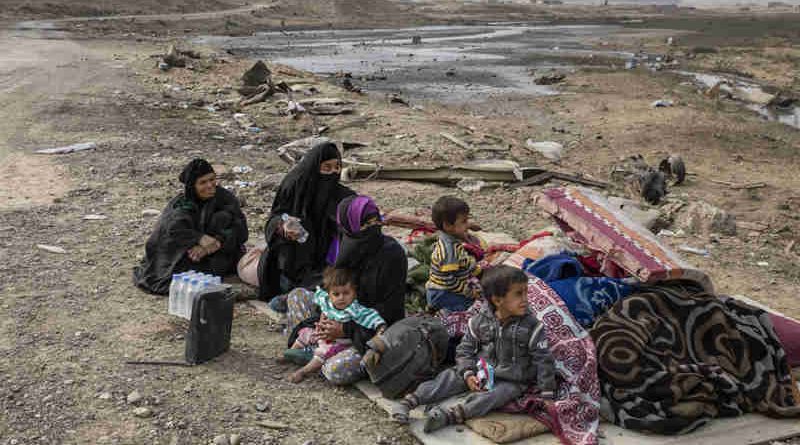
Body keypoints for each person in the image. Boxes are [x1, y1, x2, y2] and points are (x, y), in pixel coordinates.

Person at [392, 266, 556, 433]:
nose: (525, 299)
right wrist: (468, 373)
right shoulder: (479, 321)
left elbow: (544, 360)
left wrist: (547, 393)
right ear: (497, 300)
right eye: (519, 294)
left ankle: (451, 415)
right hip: (481, 370)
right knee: (449, 377)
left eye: (526, 292)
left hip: (511, 379)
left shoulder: (532, 327)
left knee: (497, 395)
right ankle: (409, 402)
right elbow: (465, 350)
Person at [284, 195, 407, 385]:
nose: (373, 229)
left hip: (369, 329)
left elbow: (391, 311)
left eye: (375, 222)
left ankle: (319, 357)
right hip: (337, 312)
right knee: (297, 296)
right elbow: (332, 286)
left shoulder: (392, 254)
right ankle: (317, 350)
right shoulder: (346, 245)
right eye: (365, 225)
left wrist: (345, 330)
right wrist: (325, 317)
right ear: (350, 227)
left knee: (336, 370)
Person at [257, 141, 355, 303]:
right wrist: (283, 226)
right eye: (326, 167)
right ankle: (293, 292)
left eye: (336, 167)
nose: (333, 173)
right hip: (293, 261)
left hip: (327, 263)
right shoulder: (294, 187)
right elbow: (273, 220)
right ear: (314, 168)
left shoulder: (342, 196)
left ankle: (300, 295)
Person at [133, 159, 248, 295]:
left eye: (212, 179)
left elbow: (241, 229)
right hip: (189, 253)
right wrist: (199, 238)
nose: (210, 185)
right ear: (192, 186)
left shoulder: (224, 198)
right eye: (203, 182)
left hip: (219, 249)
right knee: (181, 272)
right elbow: (173, 231)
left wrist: (216, 242)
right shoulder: (182, 205)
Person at [286, 267, 386, 383]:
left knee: (324, 353)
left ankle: (303, 371)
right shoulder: (327, 301)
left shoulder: (355, 310)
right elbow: (320, 299)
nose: (341, 298)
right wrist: (322, 318)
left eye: (346, 293)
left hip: (339, 343)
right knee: (305, 333)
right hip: (321, 336)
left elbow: (376, 321)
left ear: (355, 292)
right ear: (330, 294)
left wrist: (379, 334)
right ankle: (292, 354)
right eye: (336, 294)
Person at [426, 196, 483, 312]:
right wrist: (469, 292)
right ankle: (438, 309)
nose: (468, 225)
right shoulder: (449, 251)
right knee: (473, 306)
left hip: (453, 284)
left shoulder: (453, 240)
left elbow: (463, 261)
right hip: (442, 292)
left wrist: (480, 272)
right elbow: (449, 281)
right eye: (464, 221)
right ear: (447, 226)